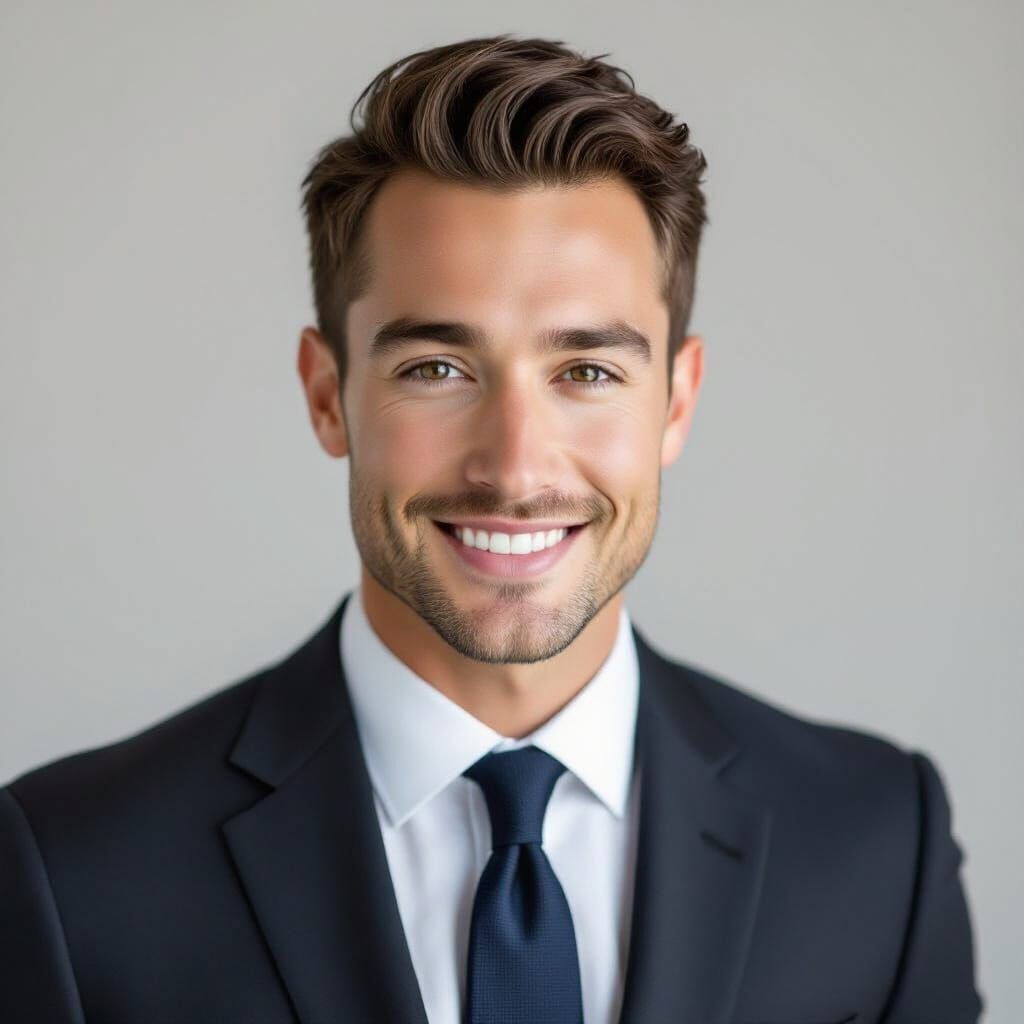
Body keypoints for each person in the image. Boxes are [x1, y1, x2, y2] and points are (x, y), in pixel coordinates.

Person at [0, 33, 982, 1024]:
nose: (514, 468)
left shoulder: (874, 845)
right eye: (436, 369)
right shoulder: (72, 868)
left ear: (675, 402)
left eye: (586, 372)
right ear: (327, 393)